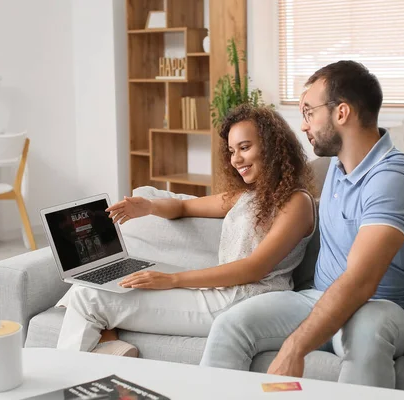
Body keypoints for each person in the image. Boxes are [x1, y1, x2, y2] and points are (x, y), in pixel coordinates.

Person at [199, 61, 404, 389]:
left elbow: (360, 283)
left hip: (383, 309)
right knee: (230, 324)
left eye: (309, 112)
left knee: (365, 329)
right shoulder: (337, 166)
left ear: (341, 113)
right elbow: (260, 191)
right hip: (318, 298)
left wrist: (295, 346)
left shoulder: (393, 178)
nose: (303, 126)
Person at [55, 104, 317, 357]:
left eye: (245, 148)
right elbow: (182, 207)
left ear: (271, 147)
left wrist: (173, 280)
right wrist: (148, 206)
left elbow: (254, 268)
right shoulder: (247, 196)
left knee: (88, 298)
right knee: (88, 289)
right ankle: (105, 354)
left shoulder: (296, 202)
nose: (236, 159)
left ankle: (66, 383)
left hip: (246, 302)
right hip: (221, 294)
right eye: (231, 151)